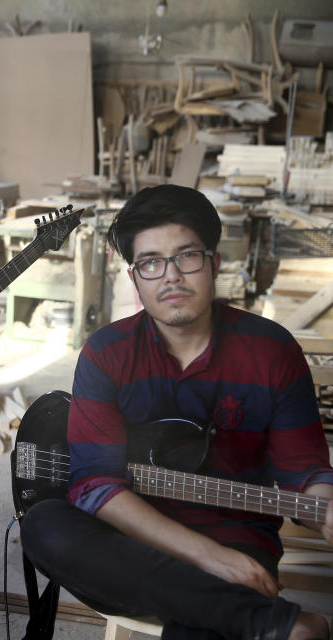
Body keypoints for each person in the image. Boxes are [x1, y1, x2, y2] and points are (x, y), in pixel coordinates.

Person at [20, 185, 333, 640]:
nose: (171, 277)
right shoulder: (107, 353)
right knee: (45, 526)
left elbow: (303, 468)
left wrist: (324, 504)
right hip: (134, 546)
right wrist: (208, 557)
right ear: (135, 278)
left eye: (187, 256)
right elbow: (95, 484)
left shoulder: (272, 350)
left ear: (214, 263)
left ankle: (250, 618)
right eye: (150, 262)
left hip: (237, 539)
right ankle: (278, 624)